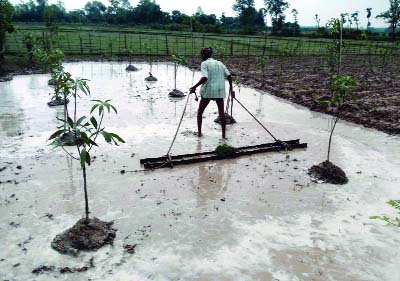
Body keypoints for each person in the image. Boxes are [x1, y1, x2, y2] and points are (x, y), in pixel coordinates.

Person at [190, 47, 234, 139]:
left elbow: (204, 78)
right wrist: (231, 90)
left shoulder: (204, 63)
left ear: (203, 55)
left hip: (208, 91)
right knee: (222, 114)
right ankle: (223, 136)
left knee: (200, 113)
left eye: (202, 55)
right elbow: (229, 76)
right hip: (219, 91)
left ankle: (199, 133)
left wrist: (194, 87)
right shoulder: (220, 63)